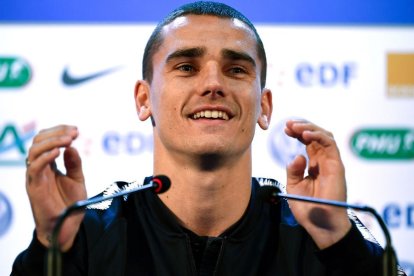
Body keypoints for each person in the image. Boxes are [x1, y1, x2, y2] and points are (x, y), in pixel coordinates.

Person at [11, 1, 402, 275]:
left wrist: (340, 244)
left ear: (264, 106)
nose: (214, 83)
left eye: (236, 70)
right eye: (186, 66)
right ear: (144, 99)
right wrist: (49, 250)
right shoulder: (87, 232)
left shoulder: (321, 231)